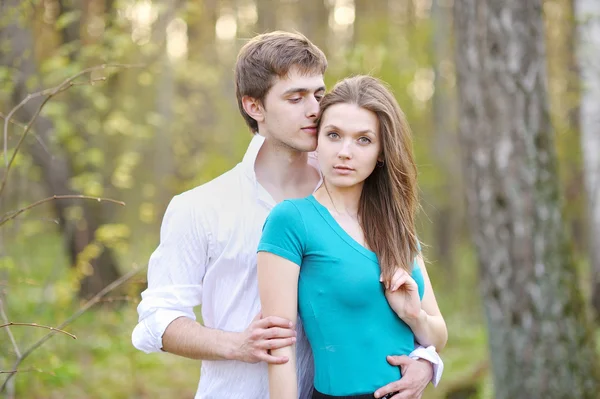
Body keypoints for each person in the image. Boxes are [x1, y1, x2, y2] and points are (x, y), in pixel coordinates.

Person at [132, 31, 443, 399]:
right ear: (254, 107)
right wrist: (235, 344)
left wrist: (425, 361)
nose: (313, 109)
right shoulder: (201, 208)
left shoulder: (354, 190)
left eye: (318, 94)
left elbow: (387, 309)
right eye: (295, 98)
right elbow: (155, 320)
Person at [257, 75, 448, 399]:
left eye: (363, 140)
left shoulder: (395, 226)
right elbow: (280, 352)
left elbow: (438, 336)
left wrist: (413, 315)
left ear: (382, 152)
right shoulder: (291, 221)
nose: (345, 152)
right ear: (317, 140)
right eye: (334, 135)